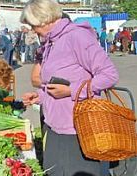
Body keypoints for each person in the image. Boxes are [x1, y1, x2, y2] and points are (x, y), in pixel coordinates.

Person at [20, 0, 119, 175]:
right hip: (55, 126)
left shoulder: (77, 37)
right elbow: (54, 82)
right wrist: (40, 96)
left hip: (78, 129)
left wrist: (71, 91)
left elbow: (109, 75)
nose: (33, 30)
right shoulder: (51, 43)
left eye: (33, 25)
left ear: (44, 19)